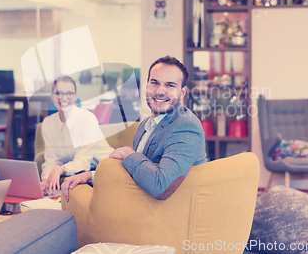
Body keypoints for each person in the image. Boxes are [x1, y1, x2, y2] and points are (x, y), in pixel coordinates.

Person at [62, 55, 206, 201]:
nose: (160, 91)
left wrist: (128, 153)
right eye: (154, 83)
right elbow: (137, 173)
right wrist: (91, 176)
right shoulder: (146, 125)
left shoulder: (186, 127)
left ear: (182, 92)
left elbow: (161, 186)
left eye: (170, 85)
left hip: (168, 217)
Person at [41, 76, 114, 195]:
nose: (64, 97)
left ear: (75, 96)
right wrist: (46, 179)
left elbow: (83, 162)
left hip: (103, 171)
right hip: (77, 173)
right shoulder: (47, 123)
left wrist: (60, 169)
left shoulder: (87, 119)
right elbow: (52, 159)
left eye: (69, 93)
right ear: (52, 96)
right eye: (59, 93)